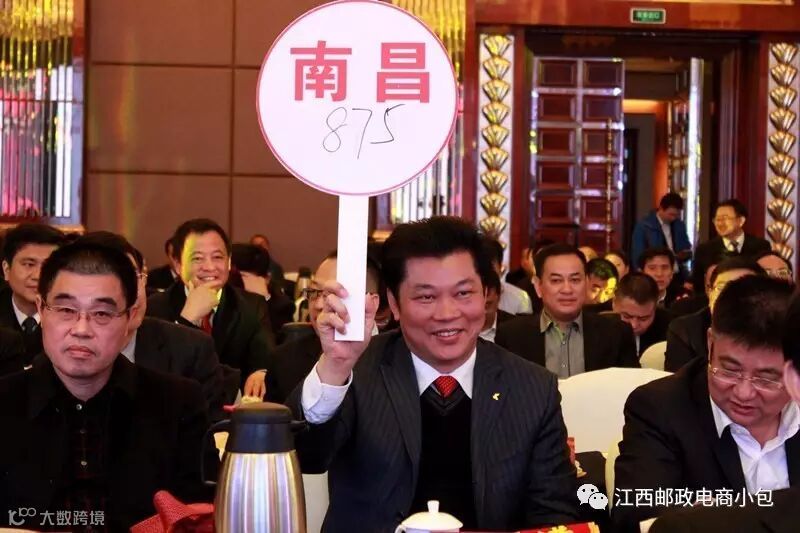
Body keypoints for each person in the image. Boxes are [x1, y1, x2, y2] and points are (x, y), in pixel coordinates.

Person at [287, 217, 578, 531]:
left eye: (463, 293)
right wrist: (336, 366)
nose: (447, 314)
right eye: (426, 297)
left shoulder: (533, 388)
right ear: (394, 304)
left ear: (485, 295)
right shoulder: (357, 371)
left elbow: (555, 515)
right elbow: (306, 454)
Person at [0, 242, 216, 531]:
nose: (81, 329)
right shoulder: (5, 402)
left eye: (101, 314)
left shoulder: (178, 403)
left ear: (130, 317)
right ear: (41, 309)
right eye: (65, 309)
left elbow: (200, 517)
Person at [613, 276, 799, 532]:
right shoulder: (660, 407)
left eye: (766, 379)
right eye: (729, 370)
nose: (744, 393)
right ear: (710, 342)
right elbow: (639, 510)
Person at [78, 231, 227, 420]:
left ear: (144, 279)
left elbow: (211, 429)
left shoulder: (191, 350)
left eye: (132, 278)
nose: (126, 295)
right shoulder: (57, 352)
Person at [147, 218, 273, 397]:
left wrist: (261, 372)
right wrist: (187, 319)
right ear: (178, 264)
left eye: (217, 257)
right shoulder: (155, 307)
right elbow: (157, 375)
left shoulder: (252, 306)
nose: (209, 267)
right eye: (197, 258)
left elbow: (266, 359)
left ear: (229, 262)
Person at [495, 243, 638, 377]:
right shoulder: (511, 335)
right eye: (556, 280)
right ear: (538, 286)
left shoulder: (616, 333)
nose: (567, 289)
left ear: (586, 283)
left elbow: (629, 388)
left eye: (575, 280)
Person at [265, 251, 382, 404]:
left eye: (333, 295)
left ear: (371, 303)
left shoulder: (400, 357)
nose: (319, 305)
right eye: (314, 292)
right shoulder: (285, 360)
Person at [665, 257, 765, 372]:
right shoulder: (685, 330)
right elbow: (681, 379)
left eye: (743, 289)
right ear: (709, 292)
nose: (730, 296)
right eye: (722, 288)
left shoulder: (775, 331)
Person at [0, 222, 65, 359]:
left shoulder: (73, 319)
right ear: (6, 269)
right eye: (29, 264)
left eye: (48, 265)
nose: (38, 275)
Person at [692, 199, 771, 292]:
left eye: (725, 218)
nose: (720, 223)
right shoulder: (704, 250)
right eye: (717, 219)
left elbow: (765, 281)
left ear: (741, 221)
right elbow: (698, 286)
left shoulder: (761, 246)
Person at [231, 243, 295, 337]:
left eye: (241, 277)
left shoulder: (281, 307)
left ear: (266, 279)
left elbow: (273, 342)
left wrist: (262, 300)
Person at [630, 192, 692, 275]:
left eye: (676, 215)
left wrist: (684, 254)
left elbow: (686, 247)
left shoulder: (679, 225)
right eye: (671, 214)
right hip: (655, 273)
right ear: (661, 208)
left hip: (676, 272)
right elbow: (638, 254)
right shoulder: (644, 226)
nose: (673, 218)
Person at [612, 273, 670, 357]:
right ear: (614, 302)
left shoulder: (670, 327)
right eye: (627, 316)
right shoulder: (596, 323)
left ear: (655, 307)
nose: (634, 325)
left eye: (644, 319)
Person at [483, 236, 533, 315]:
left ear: (500, 267)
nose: (485, 272)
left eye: (490, 266)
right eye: (480, 267)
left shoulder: (520, 298)